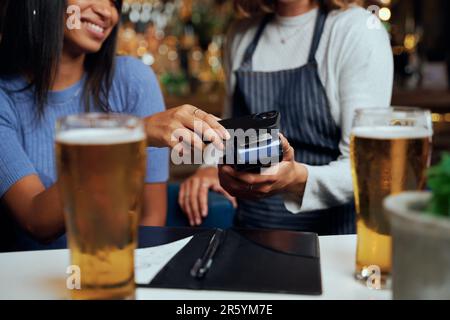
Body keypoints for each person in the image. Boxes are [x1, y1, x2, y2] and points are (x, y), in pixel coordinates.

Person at [0, 0, 227, 251]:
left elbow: (150, 219)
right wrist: (129, 135)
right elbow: (36, 221)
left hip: (114, 272)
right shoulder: (4, 99)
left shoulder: (132, 81)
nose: (107, 12)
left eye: (114, 2)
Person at [180, 0, 393, 234]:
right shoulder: (241, 34)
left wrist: (295, 179)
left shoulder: (357, 29)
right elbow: (229, 130)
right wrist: (210, 167)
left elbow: (364, 166)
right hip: (251, 232)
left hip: (330, 240)